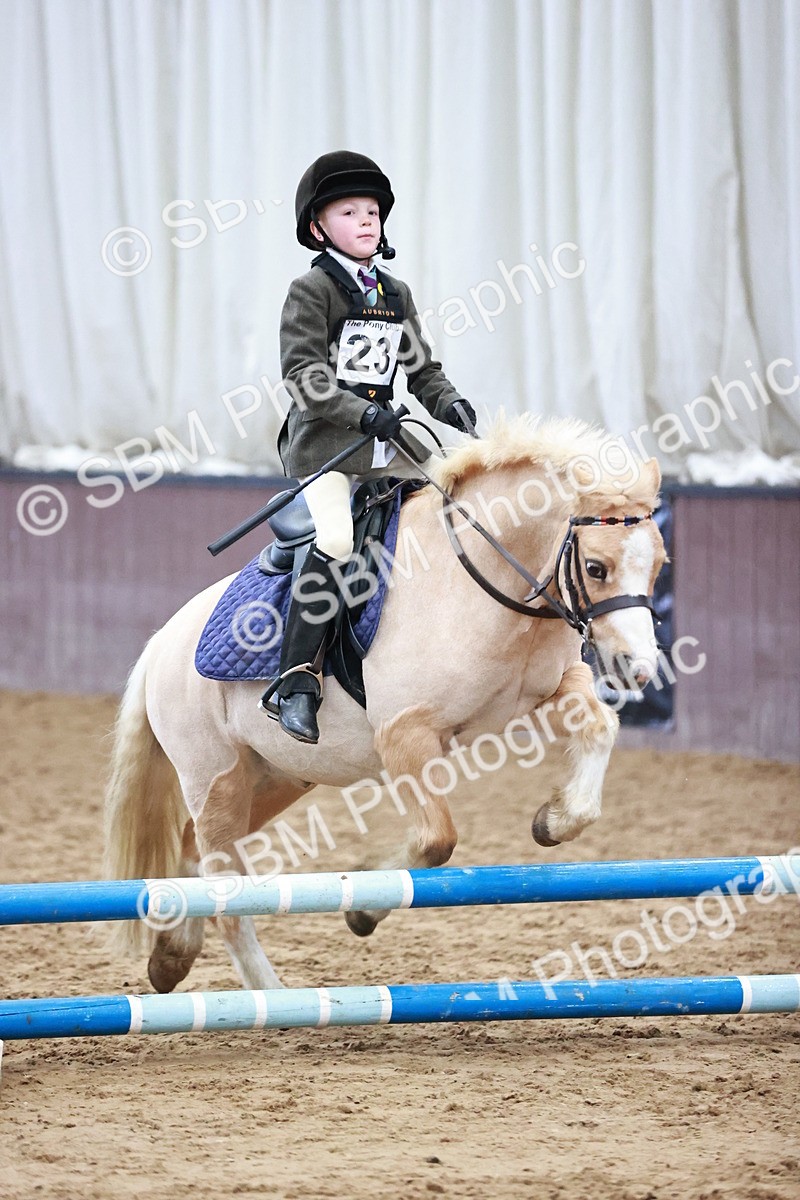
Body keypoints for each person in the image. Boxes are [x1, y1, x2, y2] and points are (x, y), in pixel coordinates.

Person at [268, 150, 476, 744]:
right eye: (349, 211)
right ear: (318, 227)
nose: (366, 221)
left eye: (373, 211)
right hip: (326, 450)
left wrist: (451, 406)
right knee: (335, 538)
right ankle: (296, 680)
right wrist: (362, 412)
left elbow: (421, 368)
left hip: (387, 444)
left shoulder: (395, 292)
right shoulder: (311, 291)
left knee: (457, 502)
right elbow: (304, 375)